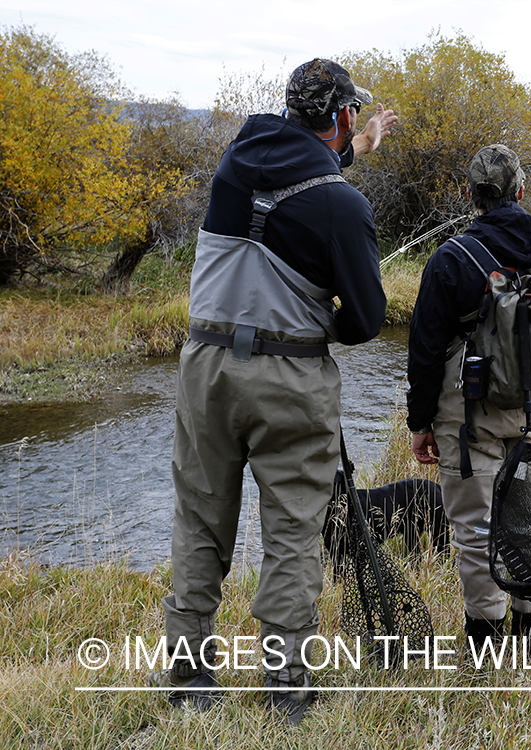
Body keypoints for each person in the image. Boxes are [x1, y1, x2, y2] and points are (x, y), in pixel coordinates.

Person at [153, 58, 397, 725]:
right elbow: (366, 322)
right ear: (343, 116)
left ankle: (187, 676)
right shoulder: (342, 206)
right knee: (291, 528)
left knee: (199, 518)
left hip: (203, 366)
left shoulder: (236, 162)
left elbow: (294, 173)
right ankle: (285, 687)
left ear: (291, 111)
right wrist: (328, 316)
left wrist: (356, 148)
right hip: (290, 376)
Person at [407, 144, 531, 652]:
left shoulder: (450, 258)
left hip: (467, 416)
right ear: (520, 191)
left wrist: (420, 422)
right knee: (528, 522)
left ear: (472, 196)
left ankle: (486, 644)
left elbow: (426, 349)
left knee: (476, 532)